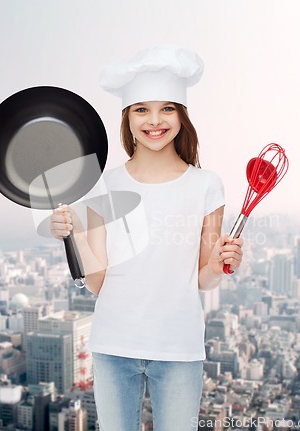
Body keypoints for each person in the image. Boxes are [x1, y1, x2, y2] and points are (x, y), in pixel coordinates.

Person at [51, 45, 243, 431]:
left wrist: (224, 263)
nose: (154, 120)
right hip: (114, 344)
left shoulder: (207, 185)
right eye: (141, 109)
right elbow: (99, 281)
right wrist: (72, 235)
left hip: (179, 348)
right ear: (127, 117)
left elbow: (203, 279)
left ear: (181, 116)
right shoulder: (103, 183)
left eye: (167, 108)